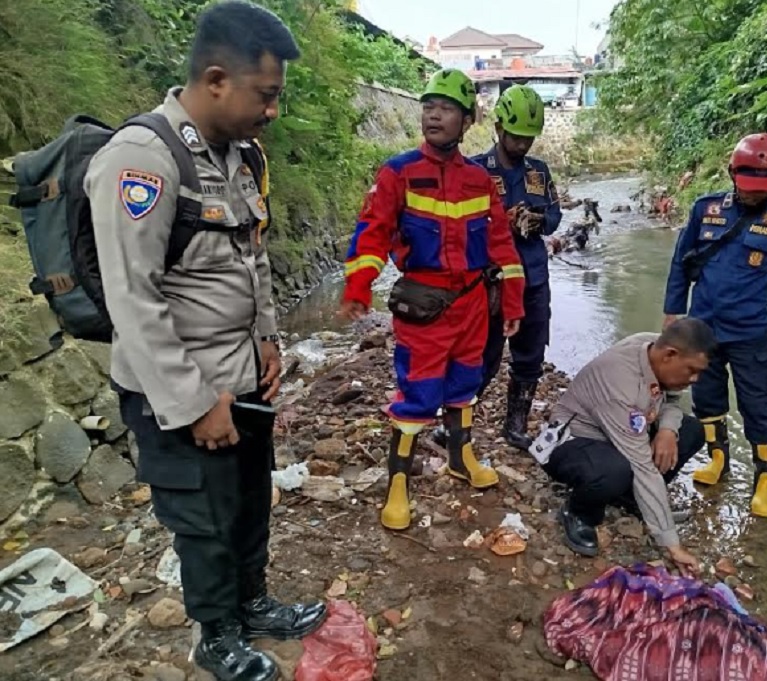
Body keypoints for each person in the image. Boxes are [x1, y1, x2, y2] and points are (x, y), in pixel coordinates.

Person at [86, 3, 326, 679]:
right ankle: (215, 633)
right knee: (204, 519)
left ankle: (252, 603)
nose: (273, 111)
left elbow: (251, 258)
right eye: (267, 95)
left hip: (243, 376)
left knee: (249, 499)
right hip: (180, 390)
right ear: (217, 79)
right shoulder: (142, 160)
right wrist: (194, 402)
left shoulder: (239, 156)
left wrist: (270, 342)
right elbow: (132, 298)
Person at [339, 68, 526, 532]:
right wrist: (358, 287)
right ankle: (398, 486)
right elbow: (372, 234)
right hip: (425, 309)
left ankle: (461, 459)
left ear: (467, 121)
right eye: (428, 107)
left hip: (473, 307)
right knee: (417, 396)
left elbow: (503, 246)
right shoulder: (399, 172)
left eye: (445, 109)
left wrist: (514, 304)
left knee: (465, 386)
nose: (433, 116)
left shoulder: (480, 181)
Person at [663, 133, 767, 519]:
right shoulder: (705, 209)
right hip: (702, 329)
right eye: (749, 186)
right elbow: (681, 263)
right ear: (732, 173)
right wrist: (672, 312)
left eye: (765, 188)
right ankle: (717, 460)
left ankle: (764, 481)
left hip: (750, 332)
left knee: (757, 406)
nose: (755, 195)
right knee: (707, 398)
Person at [433, 85, 561, 451]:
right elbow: (457, 226)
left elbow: (554, 215)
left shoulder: (539, 172)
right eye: (516, 137)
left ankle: (515, 425)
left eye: (528, 139)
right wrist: (498, 221)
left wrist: (537, 221)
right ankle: (455, 423)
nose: (522, 146)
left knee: (531, 354)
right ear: (499, 129)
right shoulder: (474, 170)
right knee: (481, 356)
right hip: (490, 281)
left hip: (533, 277)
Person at [538, 319, 713, 573]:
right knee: (616, 469)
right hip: (571, 441)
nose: (696, 379)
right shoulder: (619, 383)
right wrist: (672, 544)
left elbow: (671, 399)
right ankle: (578, 513)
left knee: (691, 431)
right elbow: (642, 466)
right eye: (691, 370)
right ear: (670, 355)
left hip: (617, 432)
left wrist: (667, 430)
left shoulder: (653, 345)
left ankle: (632, 500)